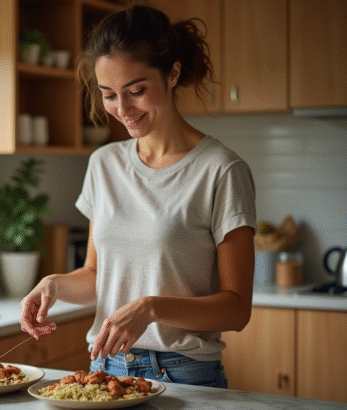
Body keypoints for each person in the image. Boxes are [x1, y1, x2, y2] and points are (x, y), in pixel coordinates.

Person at [19, 5, 256, 388]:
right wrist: (54, 284)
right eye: (109, 95)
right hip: (105, 371)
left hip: (184, 373)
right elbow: (98, 276)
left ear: (172, 74)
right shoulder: (104, 164)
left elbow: (236, 309)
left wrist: (152, 308)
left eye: (137, 91)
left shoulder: (221, 170)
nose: (123, 109)